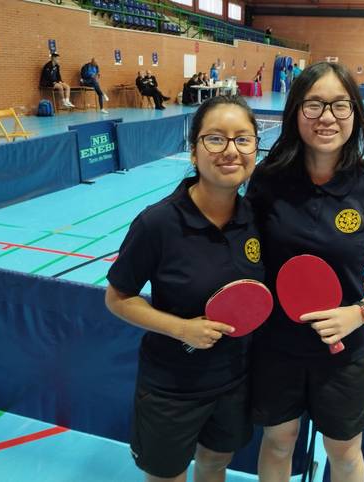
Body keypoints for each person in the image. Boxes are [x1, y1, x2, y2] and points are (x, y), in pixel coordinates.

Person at [247, 61, 364, 482]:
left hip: (343, 348)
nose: (327, 117)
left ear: (355, 115)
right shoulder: (267, 181)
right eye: (314, 105)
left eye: (340, 106)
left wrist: (359, 311)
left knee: (343, 451)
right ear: (295, 113)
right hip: (276, 343)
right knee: (278, 440)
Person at [106, 95, 263, 482]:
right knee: (167, 476)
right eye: (215, 139)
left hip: (234, 379)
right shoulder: (157, 223)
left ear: (255, 151)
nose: (231, 150)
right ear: (194, 151)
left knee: (214, 464)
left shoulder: (258, 218)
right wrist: (181, 328)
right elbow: (117, 299)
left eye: (243, 139)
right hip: (171, 388)